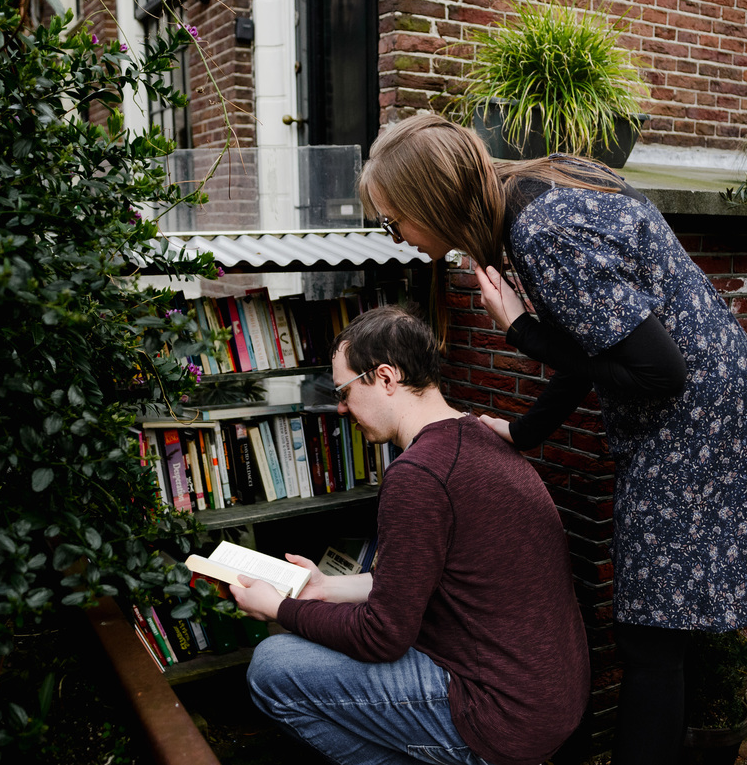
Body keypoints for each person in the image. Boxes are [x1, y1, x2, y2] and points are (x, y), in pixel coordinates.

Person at [356, 114, 747, 764]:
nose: (400, 235)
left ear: (430, 202)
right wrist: (528, 429)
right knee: (662, 635)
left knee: (649, 642)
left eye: (396, 220)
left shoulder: (542, 230)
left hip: (691, 422)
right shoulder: (536, 190)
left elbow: (658, 371)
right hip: (714, 400)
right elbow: (601, 340)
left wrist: (523, 332)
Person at [230, 305, 590, 765]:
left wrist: (280, 608)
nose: (341, 407)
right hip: (549, 699)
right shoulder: (478, 437)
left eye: (344, 390)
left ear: (384, 378)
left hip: (497, 717)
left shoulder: (419, 474)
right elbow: (427, 578)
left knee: (273, 666)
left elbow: (381, 637)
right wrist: (326, 589)